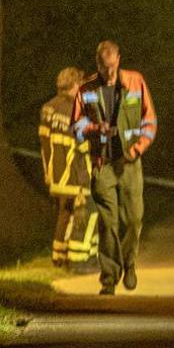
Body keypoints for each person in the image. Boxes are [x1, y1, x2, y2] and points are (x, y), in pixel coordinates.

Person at [72, 40, 157, 295]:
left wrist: (138, 147)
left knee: (133, 219)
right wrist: (94, 129)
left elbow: (150, 121)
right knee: (108, 224)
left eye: (111, 66)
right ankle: (109, 278)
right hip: (102, 164)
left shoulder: (135, 82)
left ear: (118, 59)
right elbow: (75, 127)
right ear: (97, 63)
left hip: (130, 163)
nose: (108, 72)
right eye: (102, 66)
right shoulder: (86, 89)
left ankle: (129, 263)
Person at [39, 67, 97, 272]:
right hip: (75, 174)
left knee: (64, 212)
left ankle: (58, 257)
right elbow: (84, 145)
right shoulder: (76, 110)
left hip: (56, 174)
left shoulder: (48, 108)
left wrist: (47, 172)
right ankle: (79, 259)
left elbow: (44, 142)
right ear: (74, 85)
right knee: (83, 215)